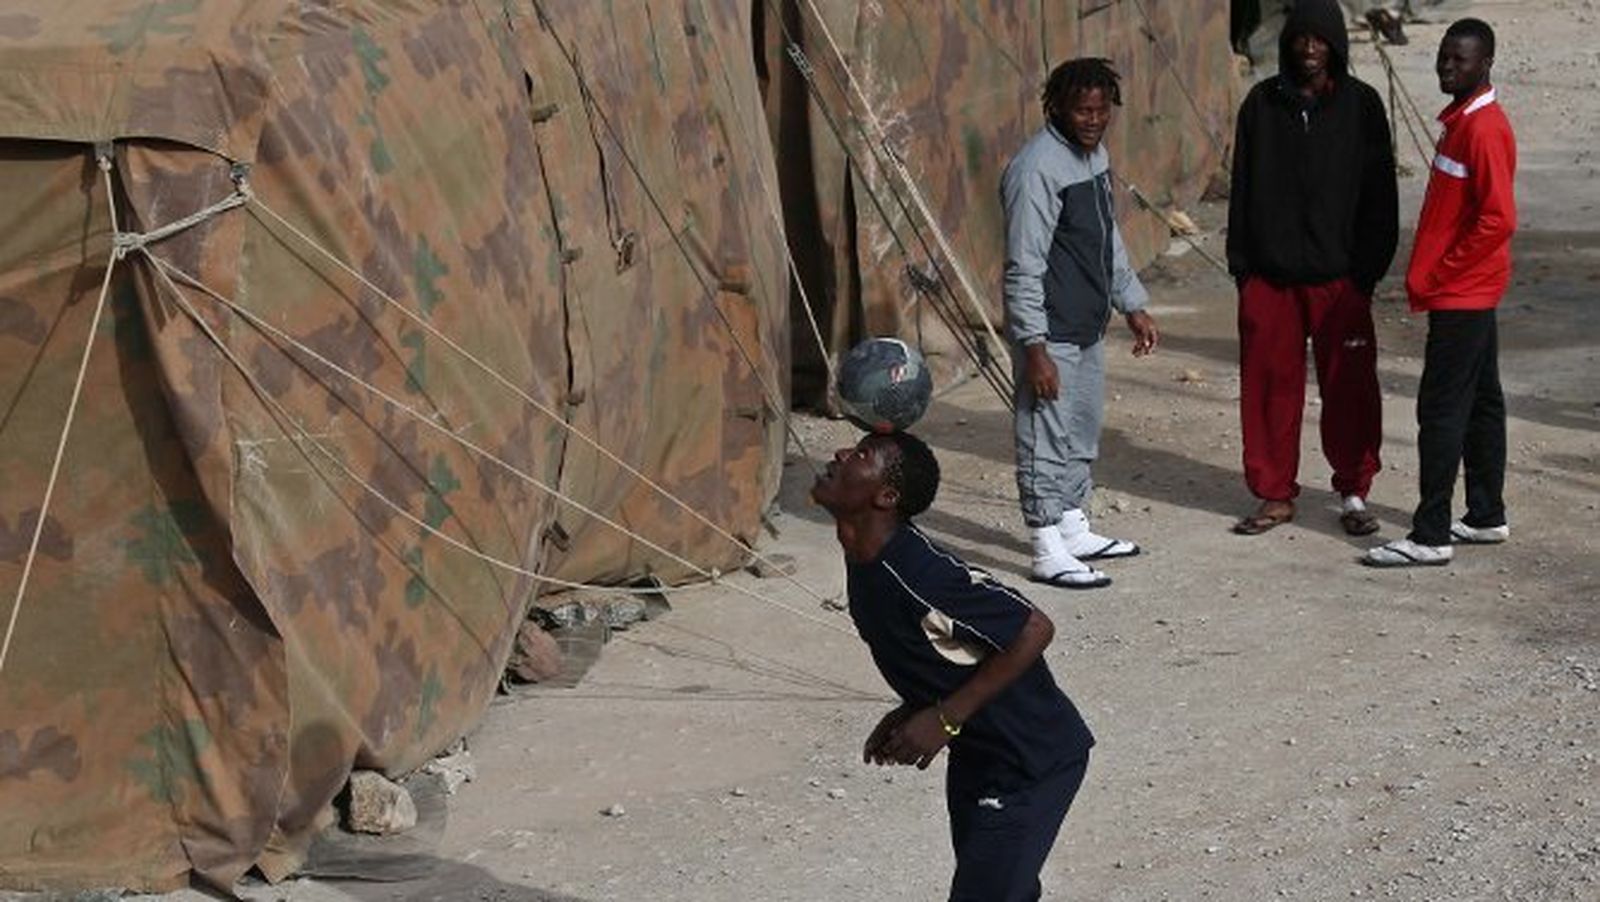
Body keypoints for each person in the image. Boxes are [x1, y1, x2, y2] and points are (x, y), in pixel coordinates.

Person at [811, 431, 1094, 902]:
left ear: (886, 497)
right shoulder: (866, 562)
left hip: (1029, 760)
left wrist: (944, 718)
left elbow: (1034, 629)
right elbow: (946, 653)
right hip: (979, 757)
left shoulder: (918, 573)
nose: (840, 454)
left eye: (861, 455)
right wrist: (913, 709)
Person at [1226, 0, 1398, 537]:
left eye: (1320, 40)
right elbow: (1243, 190)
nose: (1308, 49)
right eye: (1300, 39)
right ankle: (1274, 493)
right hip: (1270, 281)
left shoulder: (1361, 106)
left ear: (1336, 45)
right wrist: (1244, 270)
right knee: (1270, 388)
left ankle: (1352, 490)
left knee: (1350, 388)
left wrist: (1364, 274)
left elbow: (1380, 196)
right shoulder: (1261, 104)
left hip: (1339, 281)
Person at [1000, 57, 1159, 590]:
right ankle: (1045, 543)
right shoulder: (1036, 169)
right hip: (1050, 331)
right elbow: (1023, 264)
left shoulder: (1094, 158)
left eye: (1100, 110)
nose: (1092, 120)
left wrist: (1131, 303)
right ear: (1057, 108)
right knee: (1044, 433)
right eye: (1081, 110)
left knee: (1080, 429)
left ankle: (1072, 524)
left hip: (1086, 325)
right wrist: (1033, 346)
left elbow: (1106, 238)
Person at [1364, 18, 1515, 567]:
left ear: (1486, 64)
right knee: (1481, 402)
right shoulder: (1463, 122)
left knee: (1442, 409)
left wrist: (1440, 274)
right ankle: (1484, 514)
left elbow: (1497, 220)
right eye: (1445, 57)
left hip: (1463, 295)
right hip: (1467, 291)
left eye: (1462, 59)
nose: (1448, 67)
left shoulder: (1483, 128)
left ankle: (1429, 535)